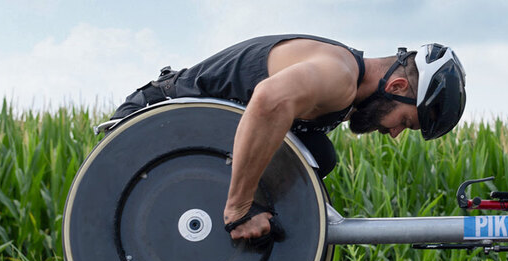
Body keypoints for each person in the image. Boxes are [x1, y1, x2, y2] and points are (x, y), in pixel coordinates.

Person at [110, 34, 467, 241]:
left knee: (319, 156)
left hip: (193, 137)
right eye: (404, 121)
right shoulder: (339, 75)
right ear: (397, 86)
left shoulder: (345, 89)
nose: (393, 133)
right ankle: (231, 212)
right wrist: (237, 210)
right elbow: (268, 99)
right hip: (154, 125)